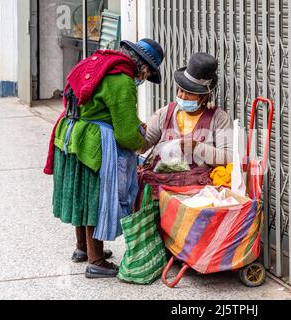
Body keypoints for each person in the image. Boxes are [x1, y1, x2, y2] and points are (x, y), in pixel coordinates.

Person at [44, 39, 164, 278]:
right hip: (92, 144)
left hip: (69, 135)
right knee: (95, 200)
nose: (144, 78)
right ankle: (96, 260)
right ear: (141, 65)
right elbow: (126, 133)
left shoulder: (96, 62)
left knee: (81, 194)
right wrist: (142, 144)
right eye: (148, 72)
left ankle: (82, 249)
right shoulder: (122, 80)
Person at [135, 52, 233, 208]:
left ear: (204, 96)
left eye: (190, 93)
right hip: (159, 190)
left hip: (195, 196)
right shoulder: (164, 113)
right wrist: (136, 129)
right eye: (181, 90)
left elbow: (229, 159)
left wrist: (196, 147)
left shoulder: (219, 118)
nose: (183, 96)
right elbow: (142, 147)